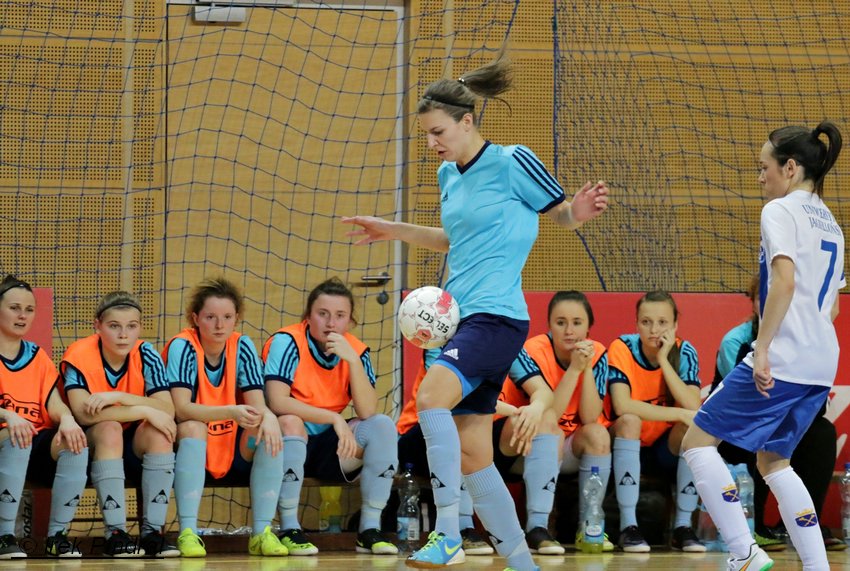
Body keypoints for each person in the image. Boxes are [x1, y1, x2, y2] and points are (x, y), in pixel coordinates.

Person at [344, 47, 608, 571]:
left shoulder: (512, 161)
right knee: (474, 459)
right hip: (457, 319)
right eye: (426, 134)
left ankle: (446, 533)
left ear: (467, 122)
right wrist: (392, 229)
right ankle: (523, 564)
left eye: (439, 131)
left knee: (429, 396)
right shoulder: (449, 177)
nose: (431, 142)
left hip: (497, 317)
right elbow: (454, 240)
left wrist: (576, 212)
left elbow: (560, 216)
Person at [683, 121, 844, 571]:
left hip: (787, 357)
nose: (760, 178)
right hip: (820, 362)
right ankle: (817, 566)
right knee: (774, 461)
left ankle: (743, 552)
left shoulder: (780, 211)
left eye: (764, 167)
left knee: (697, 443)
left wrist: (766, 347)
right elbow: (830, 309)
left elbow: (785, 282)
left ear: (789, 168)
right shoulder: (831, 222)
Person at [264, 277, 399, 556]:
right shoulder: (287, 341)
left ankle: (369, 529)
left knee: (383, 426)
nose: (330, 323)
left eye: (340, 316)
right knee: (291, 420)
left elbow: (367, 411)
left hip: (327, 447)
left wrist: (351, 361)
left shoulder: (356, 351)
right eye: (322, 314)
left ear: (350, 321)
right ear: (308, 317)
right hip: (281, 439)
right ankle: (289, 527)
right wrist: (335, 420)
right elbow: (277, 401)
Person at [713, 275, 844, 553]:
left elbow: (816, 405)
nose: (771, 301)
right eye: (763, 295)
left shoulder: (805, 341)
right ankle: (756, 526)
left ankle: (806, 523)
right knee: (765, 430)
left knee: (821, 432)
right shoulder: (736, 341)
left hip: (783, 421)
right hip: (734, 427)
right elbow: (737, 402)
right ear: (754, 302)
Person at [165, 277, 285, 558]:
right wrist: (231, 411)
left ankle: (262, 534)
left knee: (268, 430)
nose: (219, 325)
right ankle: (188, 532)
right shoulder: (183, 346)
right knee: (193, 427)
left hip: (232, 446)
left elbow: (256, 406)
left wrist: (267, 416)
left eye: (227, 317)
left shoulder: (242, 346)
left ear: (236, 318)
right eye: (210, 317)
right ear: (196, 318)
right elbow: (181, 408)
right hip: (190, 447)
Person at [61, 291, 177, 557]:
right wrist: (144, 409)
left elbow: (167, 409)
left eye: (131, 326)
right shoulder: (78, 354)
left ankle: (153, 533)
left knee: (160, 433)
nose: (123, 334)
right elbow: (83, 415)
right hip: (86, 440)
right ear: (97, 325)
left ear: (140, 328)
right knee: (110, 428)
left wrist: (118, 397)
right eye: (114, 326)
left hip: (132, 438)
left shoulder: (146, 353)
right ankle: (116, 533)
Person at [507, 291, 613, 552]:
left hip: (566, 449)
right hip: (527, 446)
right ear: (549, 325)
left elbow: (589, 416)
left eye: (577, 323)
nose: (569, 331)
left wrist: (585, 367)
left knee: (597, 434)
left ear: (589, 327)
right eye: (560, 322)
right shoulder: (534, 350)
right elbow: (550, 413)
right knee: (546, 422)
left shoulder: (598, 353)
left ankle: (591, 527)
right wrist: (574, 369)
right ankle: (537, 527)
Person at [606, 290, 704, 553]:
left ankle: (683, 527)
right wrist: (678, 413)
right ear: (637, 323)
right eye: (646, 322)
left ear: (674, 326)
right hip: (625, 443)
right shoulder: (622, 348)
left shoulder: (684, 351)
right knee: (629, 420)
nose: (654, 330)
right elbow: (622, 405)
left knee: (691, 427)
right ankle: (629, 527)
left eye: (662, 322)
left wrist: (664, 360)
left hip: (664, 448)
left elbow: (693, 406)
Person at [0, 275, 88, 559]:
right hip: (9, 435)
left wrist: (68, 419)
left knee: (75, 443)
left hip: (30, 439)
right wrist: (8, 416)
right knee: (18, 435)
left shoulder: (37, 356)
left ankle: (57, 536)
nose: (22, 315)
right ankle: (4, 535)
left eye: (29, 309)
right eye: (14, 308)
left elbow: (54, 404)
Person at [397, 350, 494, 556]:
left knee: (472, 435)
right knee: (457, 424)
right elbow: (453, 400)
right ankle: (459, 528)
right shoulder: (438, 344)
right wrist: (511, 409)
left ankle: (468, 530)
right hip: (414, 436)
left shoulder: (490, 343)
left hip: (452, 431)